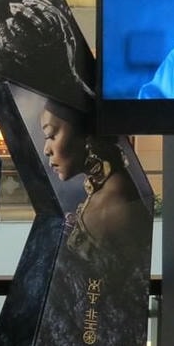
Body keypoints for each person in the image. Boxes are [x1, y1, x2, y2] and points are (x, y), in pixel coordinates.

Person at [39, 100, 150, 259]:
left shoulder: (106, 207)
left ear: (85, 134)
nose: (46, 150)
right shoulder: (115, 184)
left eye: (50, 135)